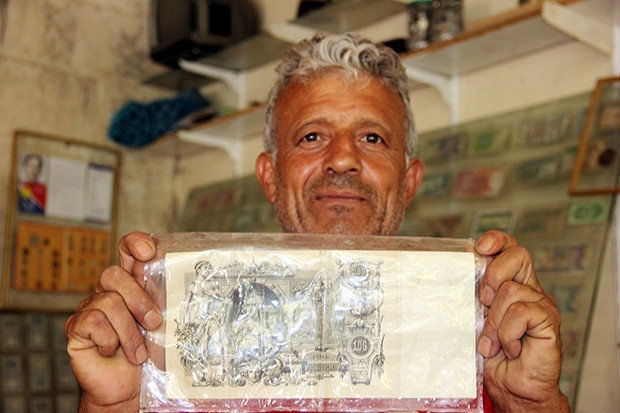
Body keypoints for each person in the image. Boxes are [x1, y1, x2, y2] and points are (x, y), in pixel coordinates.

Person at [65, 33, 569, 413]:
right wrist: (113, 407)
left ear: (410, 181)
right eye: (311, 137)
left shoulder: (480, 338)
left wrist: (531, 403)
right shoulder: (173, 343)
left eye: (372, 138)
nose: (342, 159)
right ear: (269, 176)